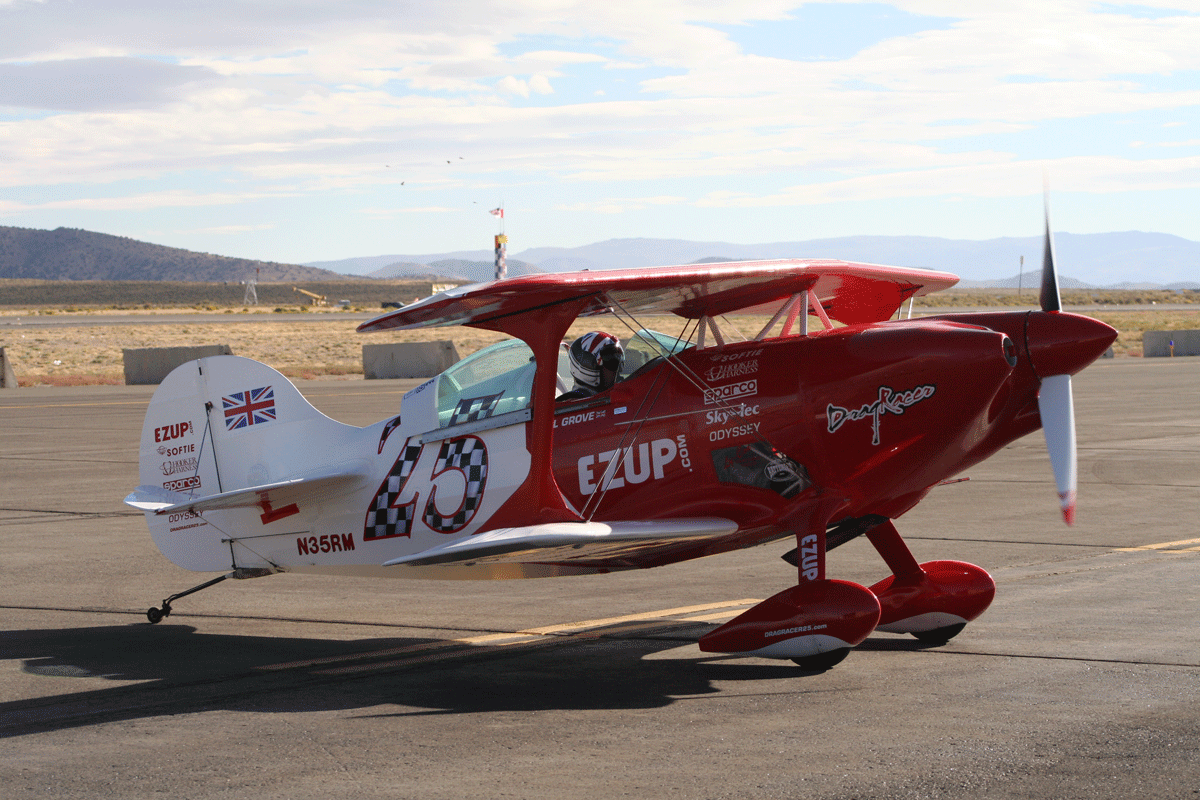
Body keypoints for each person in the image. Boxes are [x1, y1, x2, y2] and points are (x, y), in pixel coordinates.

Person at [557, 331, 624, 402]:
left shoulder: (616, 396)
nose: (619, 369)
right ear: (589, 367)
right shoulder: (573, 404)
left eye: (619, 361)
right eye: (612, 363)